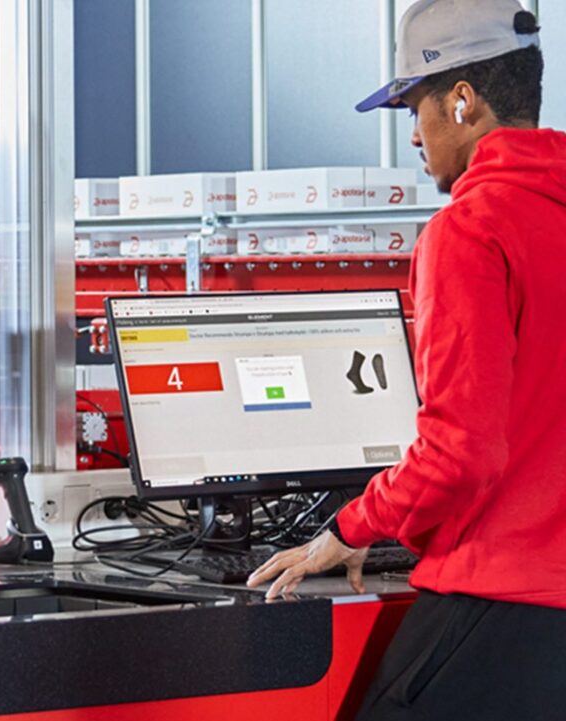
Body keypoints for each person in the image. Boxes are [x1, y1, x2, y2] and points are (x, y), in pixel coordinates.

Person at [247, 1, 566, 718]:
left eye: (414, 105)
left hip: (502, 609)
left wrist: (352, 527)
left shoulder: (470, 231)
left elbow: (462, 452)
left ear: (462, 99)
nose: (414, 135)